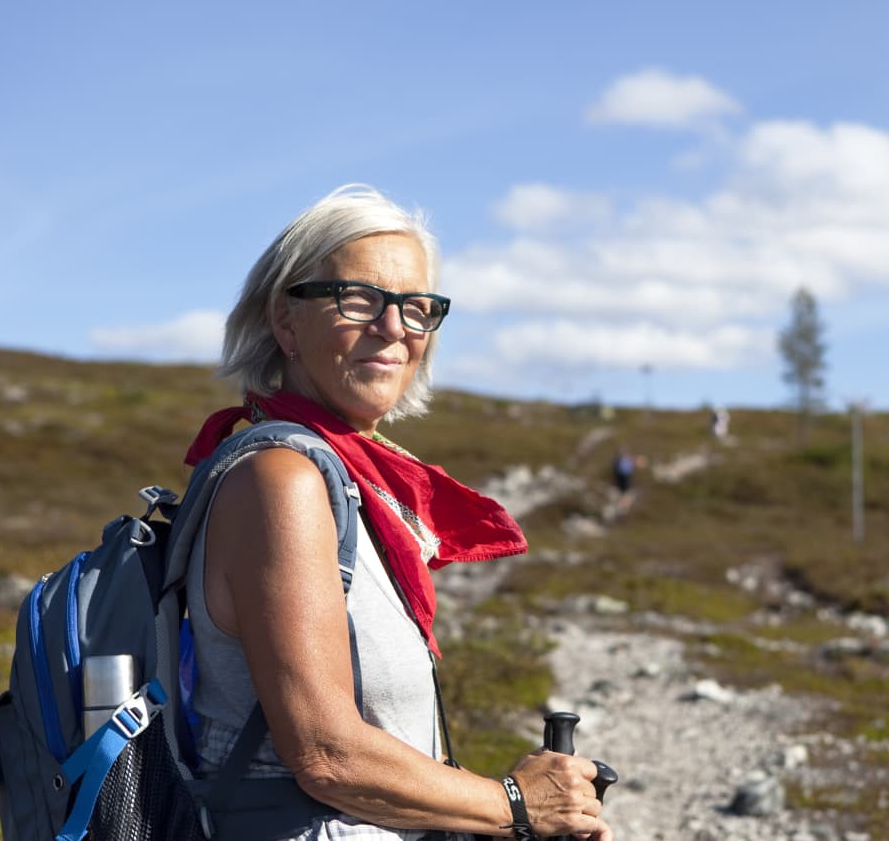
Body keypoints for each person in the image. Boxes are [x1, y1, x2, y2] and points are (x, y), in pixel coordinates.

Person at [181, 184, 613, 840]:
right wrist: (518, 805)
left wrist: (504, 811)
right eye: (359, 299)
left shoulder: (351, 482)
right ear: (285, 320)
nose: (393, 329)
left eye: (416, 308)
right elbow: (327, 756)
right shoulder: (281, 480)